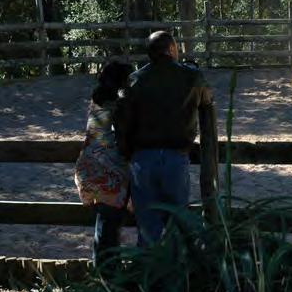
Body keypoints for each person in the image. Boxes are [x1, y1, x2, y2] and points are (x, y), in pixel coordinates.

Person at [117, 31, 218, 246]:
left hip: (142, 160)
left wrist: (126, 156)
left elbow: (122, 123)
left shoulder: (135, 80)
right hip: (176, 158)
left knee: (147, 226)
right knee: (178, 222)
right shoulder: (192, 77)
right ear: (172, 49)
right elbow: (208, 101)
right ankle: (176, 273)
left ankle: (149, 274)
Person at [74, 60, 134, 267]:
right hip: (109, 170)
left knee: (105, 225)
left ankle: (102, 276)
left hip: (88, 166)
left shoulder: (96, 101)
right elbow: (124, 141)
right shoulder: (120, 105)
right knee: (109, 227)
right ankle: (108, 278)